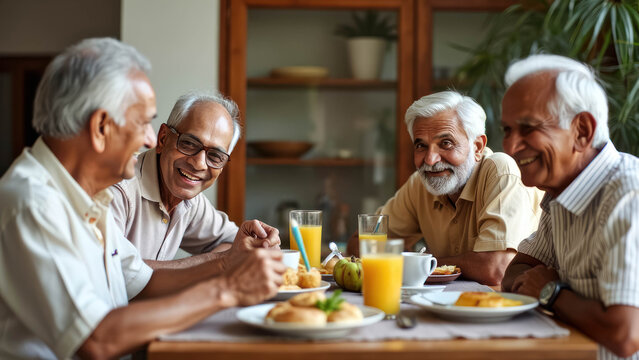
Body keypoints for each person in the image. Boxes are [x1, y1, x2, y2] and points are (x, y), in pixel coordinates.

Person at [0, 37, 285, 359]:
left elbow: (143, 282)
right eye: (144, 122)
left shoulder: (89, 199)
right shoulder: (35, 204)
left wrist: (229, 262)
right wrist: (228, 288)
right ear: (101, 127)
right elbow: (96, 339)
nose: (151, 139)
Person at [500, 54, 639, 359]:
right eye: (508, 130)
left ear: (582, 131)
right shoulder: (561, 193)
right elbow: (514, 273)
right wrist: (544, 287)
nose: (510, 147)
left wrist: (552, 292)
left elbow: (625, 334)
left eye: (528, 128)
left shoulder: (629, 195)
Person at [347, 91, 543, 285]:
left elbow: (496, 269)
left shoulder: (500, 170)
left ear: (477, 147)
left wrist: (419, 263)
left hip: (500, 309)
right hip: (443, 305)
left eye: (446, 143)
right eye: (421, 146)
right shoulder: (420, 183)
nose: (430, 160)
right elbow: (359, 245)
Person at [110, 91, 267, 271]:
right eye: (189, 144)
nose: (199, 164)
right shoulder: (116, 189)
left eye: (215, 156)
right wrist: (221, 261)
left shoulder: (190, 200)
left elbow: (234, 242)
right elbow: (115, 275)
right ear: (163, 138)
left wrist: (234, 253)